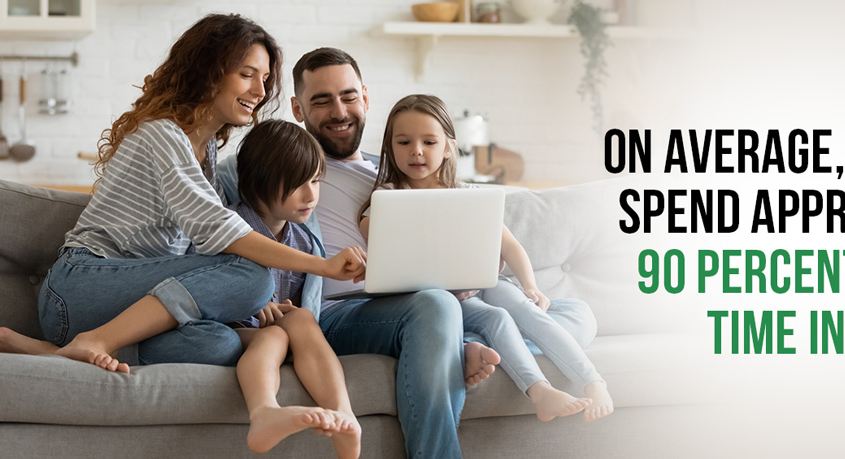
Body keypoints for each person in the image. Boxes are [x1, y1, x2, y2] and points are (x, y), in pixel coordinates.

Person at [0, 15, 365, 373]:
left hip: (128, 305)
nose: (260, 91)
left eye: (264, 78)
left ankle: (56, 351)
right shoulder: (161, 135)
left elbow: (210, 241)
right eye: (247, 74)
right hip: (80, 288)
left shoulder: (208, 153)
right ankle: (95, 339)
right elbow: (222, 233)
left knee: (220, 344)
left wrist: (253, 304)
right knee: (254, 276)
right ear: (208, 73)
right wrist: (325, 266)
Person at [288, 48, 601, 457]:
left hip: (426, 302)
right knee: (439, 305)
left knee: (575, 316)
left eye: (347, 96)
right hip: (346, 310)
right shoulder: (292, 168)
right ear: (297, 108)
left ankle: (459, 344)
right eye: (321, 100)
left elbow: (460, 236)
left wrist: (479, 270)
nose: (339, 110)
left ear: (365, 98)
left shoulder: (395, 169)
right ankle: (456, 353)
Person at [358, 94, 614, 423]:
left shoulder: (468, 195)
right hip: (445, 300)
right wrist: (376, 222)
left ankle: (594, 382)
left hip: (486, 283)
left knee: (521, 306)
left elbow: (511, 247)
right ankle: (540, 390)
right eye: (404, 142)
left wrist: (531, 286)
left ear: (449, 146)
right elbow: (380, 248)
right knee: (498, 319)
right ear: (390, 146)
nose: (416, 151)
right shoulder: (388, 200)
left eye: (429, 141)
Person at [226, 120, 360, 458]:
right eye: (298, 184)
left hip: (280, 330)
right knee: (276, 336)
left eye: (315, 181)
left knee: (300, 321)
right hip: (233, 330)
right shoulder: (230, 227)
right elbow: (207, 286)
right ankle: (265, 412)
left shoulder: (303, 240)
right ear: (258, 184)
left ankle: (344, 416)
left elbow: (297, 304)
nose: (311, 195)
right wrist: (250, 303)